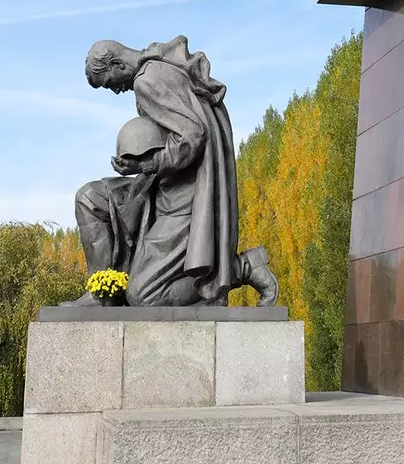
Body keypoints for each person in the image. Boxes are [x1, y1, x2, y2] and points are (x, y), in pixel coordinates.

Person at [66, 37, 278, 307]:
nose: (116, 90)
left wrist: (144, 164)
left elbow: (192, 136)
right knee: (90, 198)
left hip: (184, 201)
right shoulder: (156, 67)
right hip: (160, 185)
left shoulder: (149, 80)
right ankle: (104, 290)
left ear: (116, 64)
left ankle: (241, 268)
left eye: (110, 83)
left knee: (143, 296)